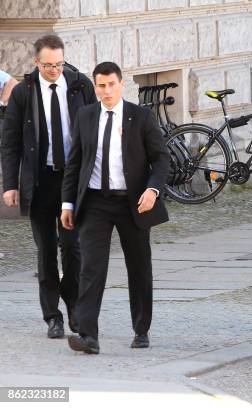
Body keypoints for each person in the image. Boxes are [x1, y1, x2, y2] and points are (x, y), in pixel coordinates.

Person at [60, 62, 170, 355]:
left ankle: (141, 328)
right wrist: (67, 203)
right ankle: (88, 335)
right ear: (94, 87)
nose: (106, 91)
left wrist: (153, 189)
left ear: (121, 85)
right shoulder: (85, 116)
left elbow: (161, 159)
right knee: (91, 266)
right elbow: (74, 164)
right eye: (101, 85)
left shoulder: (141, 116)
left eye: (111, 85)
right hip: (95, 202)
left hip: (133, 201)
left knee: (138, 266)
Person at [1, 35, 96, 339]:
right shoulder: (23, 93)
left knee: (73, 248)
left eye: (59, 64)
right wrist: (10, 184)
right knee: (45, 252)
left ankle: (76, 312)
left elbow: (96, 130)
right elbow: (11, 141)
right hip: (40, 181)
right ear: (36, 62)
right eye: (48, 65)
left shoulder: (80, 85)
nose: (55, 70)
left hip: (72, 181)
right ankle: (52, 315)